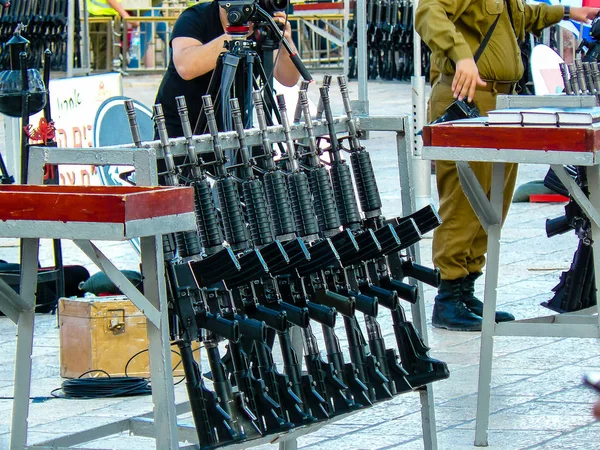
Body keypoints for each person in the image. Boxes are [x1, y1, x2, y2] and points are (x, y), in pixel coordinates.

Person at [415, 1, 599, 331]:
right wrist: (462, 55)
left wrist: (569, 13)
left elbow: (521, 17)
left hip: (499, 101)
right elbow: (428, 12)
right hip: (468, 99)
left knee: (491, 204)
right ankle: (448, 298)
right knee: (465, 203)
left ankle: (466, 290)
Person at [154, 0, 300, 138]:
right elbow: (186, 66)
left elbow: (288, 78)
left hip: (236, 127)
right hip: (183, 128)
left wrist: (285, 40)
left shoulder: (261, 23)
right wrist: (238, 33)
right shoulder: (195, 16)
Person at [87, 0, 139, 70]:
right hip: (105, 18)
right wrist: (127, 17)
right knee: (104, 55)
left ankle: (100, 74)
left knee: (100, 55)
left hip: (97, 16)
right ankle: (103, 77)